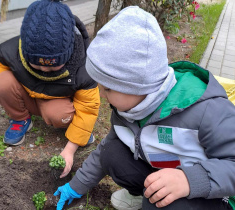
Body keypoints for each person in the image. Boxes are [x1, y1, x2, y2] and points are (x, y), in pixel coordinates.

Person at [53, 6, 235, 210]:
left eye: (108, 89)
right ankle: (146, 195)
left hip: (216, 196)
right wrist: (76, 186)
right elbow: (105, 150)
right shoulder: (129, 108)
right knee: (112, 153)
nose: (102, 95)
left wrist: (190, 180)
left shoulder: (206, 110)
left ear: (139, 86)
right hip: (165, 170)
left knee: (158, 202)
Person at [0, 0, 100, 178]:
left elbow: (88, 109)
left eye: (53, 66)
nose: (44, 69)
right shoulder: (13, 49)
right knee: (2, 81)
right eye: (36, 65)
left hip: (57, 102)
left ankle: (68, 126)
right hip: (28, 93)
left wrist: (70, 148)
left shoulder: (83, 67)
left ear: (68, 54)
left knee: (58, 114)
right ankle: (21, 119)